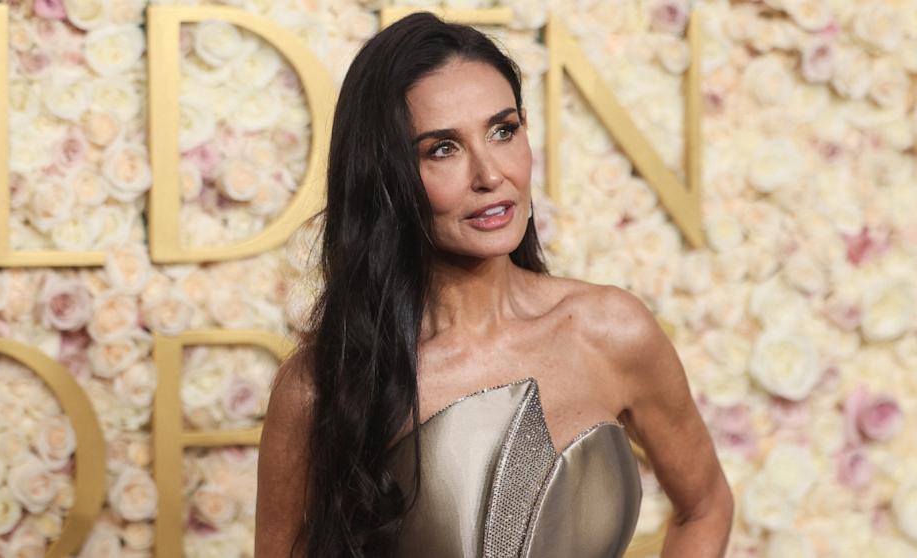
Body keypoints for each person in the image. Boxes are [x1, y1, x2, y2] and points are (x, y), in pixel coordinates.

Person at [255, 11, 733, 558]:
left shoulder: (611, 331)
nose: (489, 176)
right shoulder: (324, 385)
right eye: (442, 148)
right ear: (385, 176)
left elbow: (705, 506)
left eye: (503, 130)